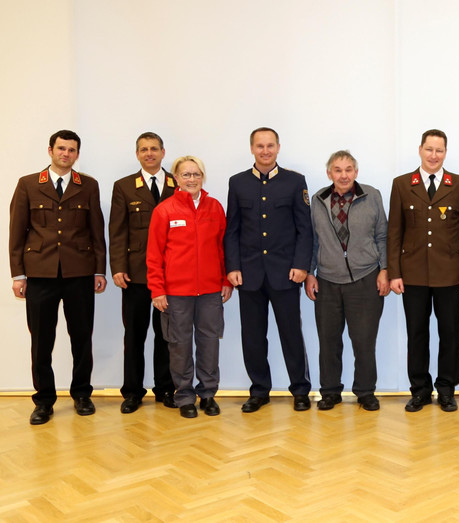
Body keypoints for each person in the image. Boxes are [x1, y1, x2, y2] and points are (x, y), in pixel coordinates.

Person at [10, 130, 107, 425]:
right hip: (40, 273)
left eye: (72, 150)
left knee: (82, 337)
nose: (66, 154)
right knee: (41, 340)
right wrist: (18, 274)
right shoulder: (28, 184)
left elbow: (96, 230)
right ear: (50, 150)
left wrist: (99, 270)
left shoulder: (88, 185)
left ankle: (82, 395)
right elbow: (17, 231)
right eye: (61, 148)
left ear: (77, 154)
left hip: (79, 272)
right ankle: (43, 401)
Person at [224, 127, 313, 412]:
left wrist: (301, 265)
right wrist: (232, 266)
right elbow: (232, 229)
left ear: (278, 147)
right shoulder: (238, 182)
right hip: (249, 274)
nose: (265, 151)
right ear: (252, 148)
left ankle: (300, 389)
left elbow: (305, 229)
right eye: (260, 146)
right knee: (252, 337)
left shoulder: (294, 181)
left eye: (270, 145)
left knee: (291, 334)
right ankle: (259, 390)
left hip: (285, 273)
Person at [387, 130, 459, 413]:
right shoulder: (402, 184)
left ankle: (446, 389)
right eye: (429, 149)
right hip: (412, 275)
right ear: (420, 150)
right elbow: (394, 232)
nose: (433, 155)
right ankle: (420, 390)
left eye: (439, 150)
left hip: (451, 275)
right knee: (417, 334)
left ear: (445, 152)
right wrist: (394, 273)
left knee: (450, 334)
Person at [147, 156, 233, 418]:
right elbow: (154, 254)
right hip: (176, 293)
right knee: (179, 345)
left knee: (209, 343)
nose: (192, 179)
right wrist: (157, 289)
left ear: (202, 177)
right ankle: (184, 396)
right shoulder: (164, 210)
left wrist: (225, 280)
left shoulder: (214, 207)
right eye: (186, 175)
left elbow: (223, 248)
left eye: (196, 174)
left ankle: (207, 394)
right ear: (176, 178)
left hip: (209, 291)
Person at [305, 150, 389, 411]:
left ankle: (365, 392)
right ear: (329, 173)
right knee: (328, 341)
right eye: (338, 170)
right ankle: (330, 391)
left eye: (349, 169)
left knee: (364, 341)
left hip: (365, 278)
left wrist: (385, 269)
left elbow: (382, 236)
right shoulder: (318, 200)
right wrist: (310, 273)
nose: (344, 175)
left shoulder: (372, 196)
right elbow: (312, 240)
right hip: (327, 281)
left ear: (356, 172)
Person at [109, 132, 177, 413]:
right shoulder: (124, 186)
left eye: (154, 149)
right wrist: (118, 267)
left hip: (171, 274)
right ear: (137, 154)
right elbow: (117, 231)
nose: (149, 153)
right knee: (134, 335)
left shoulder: (178, 183)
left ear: (163, 152)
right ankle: (132, 391)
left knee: (167, 335)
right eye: (144, 149)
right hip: (135, 274)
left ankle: (166, 388)